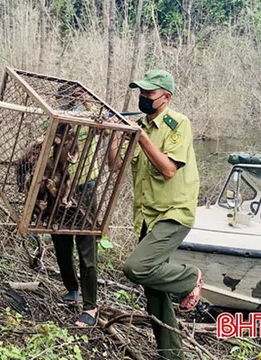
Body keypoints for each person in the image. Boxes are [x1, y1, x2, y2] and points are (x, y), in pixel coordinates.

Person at [108, 70, 202, 359]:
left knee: (136, 268)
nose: (143, 98)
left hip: (174, 213)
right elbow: (116, 167)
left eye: (149, 94)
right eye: (141, 92)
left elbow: (169, 169)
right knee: (154, 292)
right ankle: (170, 354)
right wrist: (117, 135)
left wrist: (139, 137)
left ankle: (190, 277)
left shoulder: (178, 124)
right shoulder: (140, 126)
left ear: (166, 97)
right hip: (148, 215)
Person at [51, 83, 99, 327]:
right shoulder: (55, 118)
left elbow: (104, 126)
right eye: (66, 98)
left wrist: (87, 104)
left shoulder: (91, 116)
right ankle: (72, 289)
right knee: (60, 241)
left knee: (86, 246)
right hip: (58, 187)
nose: (70, 102)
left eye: (74, 97)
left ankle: (91, 306)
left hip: (85, 187)